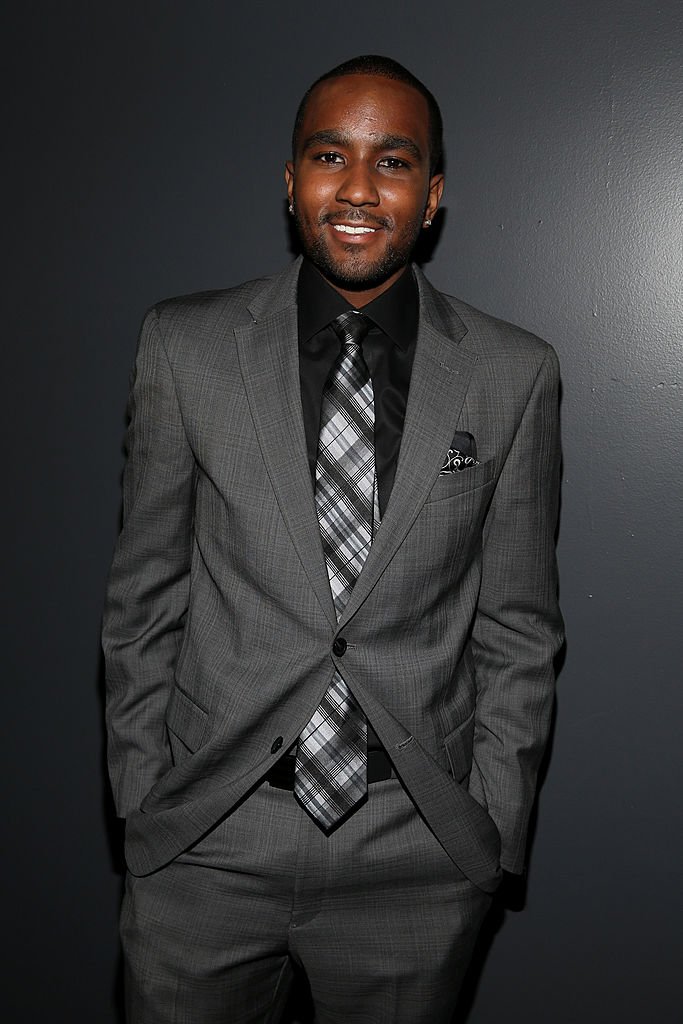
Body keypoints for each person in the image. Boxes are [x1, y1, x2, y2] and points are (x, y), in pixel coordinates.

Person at [103, 54, 564, 1024]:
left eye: (391, 162)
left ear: (431, 196)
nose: (356, 188)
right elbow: (142, 598)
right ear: (290, 180)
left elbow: (517, 626)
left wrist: (485, 828)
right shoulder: (184, 348)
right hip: (207, 840)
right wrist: (146, 802)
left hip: (413, 854)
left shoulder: (511, 374)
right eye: (328, 155)